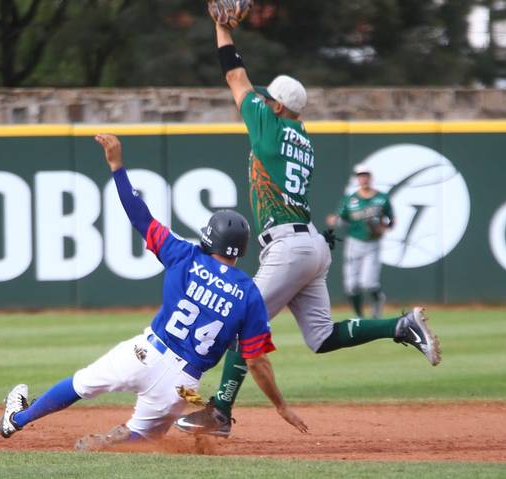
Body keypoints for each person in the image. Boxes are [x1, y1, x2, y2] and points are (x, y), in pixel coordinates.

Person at [174, 20, 441, 438]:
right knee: (320, 337)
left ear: (277, 107)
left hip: (288, 245)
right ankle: (399, 326)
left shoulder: (271, 125)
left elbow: (234, 74)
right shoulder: (303, 137)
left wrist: (221, 28)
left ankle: (220, 412)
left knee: (242, 320)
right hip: (311, 245)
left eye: (268, 100)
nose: (260, 101)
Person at [0, 134, 308, 451]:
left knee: (80, 384)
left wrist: (117, 166)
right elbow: (256, 362)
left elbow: (139, 215)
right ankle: (116, 441)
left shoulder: (184, 255)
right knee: (144, 439)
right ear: (239, 250)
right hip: (183, 384)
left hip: (144, 353)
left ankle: (16, 420)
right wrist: (281, 406)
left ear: (210, 238)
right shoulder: (249, 293)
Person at [326, 164, 394, 319]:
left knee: (369, 283)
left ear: (371, 177)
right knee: (352, 286)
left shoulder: (381, 198)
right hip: (354, 243)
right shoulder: (350, 199)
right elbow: (341, 219)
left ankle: (377, 302)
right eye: (360, 175)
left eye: (366, 175)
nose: (363, 178)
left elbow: (391, 219)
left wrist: (385, 226)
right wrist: (334, 221)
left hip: (373, 243)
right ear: (357, 178)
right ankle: (360, 317)